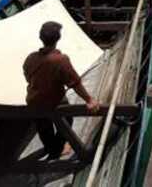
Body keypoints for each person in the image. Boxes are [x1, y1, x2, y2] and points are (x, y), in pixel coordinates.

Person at [23, 22, 99, 159]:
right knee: (67, 119)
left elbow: (27, 76)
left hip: (33, 100)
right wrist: (89, 100)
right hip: (53, 102)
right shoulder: (60, 60)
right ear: (58, 38)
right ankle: (57, 149)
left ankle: (51, 148)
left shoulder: (31, 58)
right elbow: (75, 83)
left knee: (43, 126)